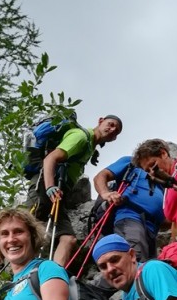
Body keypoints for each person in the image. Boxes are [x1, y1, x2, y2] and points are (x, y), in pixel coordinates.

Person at [26, 114, 123, 267]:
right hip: (45, 186)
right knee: (24, 229)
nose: (112, 130)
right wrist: (50, 187)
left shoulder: (90, 147)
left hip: (59, 194)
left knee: (68, 239)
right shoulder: (81, 137)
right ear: (100, 121)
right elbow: (50, 159)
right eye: (110, 124)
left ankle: (55, 276)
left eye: (116, 131)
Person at [92, 155, 165, 261]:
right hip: (131, 217)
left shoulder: (162, 182)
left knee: (146, 267)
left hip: (151, 229)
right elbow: (101, 176)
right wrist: (106, 193)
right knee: (135, 259)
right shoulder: (132, 162)